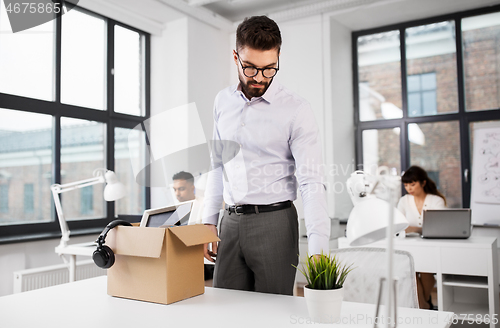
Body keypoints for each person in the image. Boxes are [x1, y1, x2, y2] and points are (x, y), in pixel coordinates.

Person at [201, 16, 330, 296]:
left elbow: (311, 180)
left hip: (275, 223)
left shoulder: (297, 109)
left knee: (275, 314)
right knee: (224, 307)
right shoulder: (222, 102)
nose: (259, 78)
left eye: (269, 69)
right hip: (230, 222)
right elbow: (217, 164)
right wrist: (208, 221)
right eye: (250, 68)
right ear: (235, 57)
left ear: (278, 57)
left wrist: (319, 247)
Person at [397, 165, 446, 309]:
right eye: (406, 185)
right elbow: (398, 224)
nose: (409, 188)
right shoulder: (404, 201)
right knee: (411, 270)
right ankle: (425, 305)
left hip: (430, 246)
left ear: (423, 183)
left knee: (425, 268)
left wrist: (415, 229)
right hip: (409, 246)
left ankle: (422, 305)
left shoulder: (436, 200)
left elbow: (438, 226)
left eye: (412, 184)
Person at [172, 171, 214, 281]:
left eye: (181, 189)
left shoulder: (205, 206)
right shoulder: (173, 210)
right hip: (179, 257)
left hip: (201, 258)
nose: (177, 193)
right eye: (175, 189)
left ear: (192, 188)